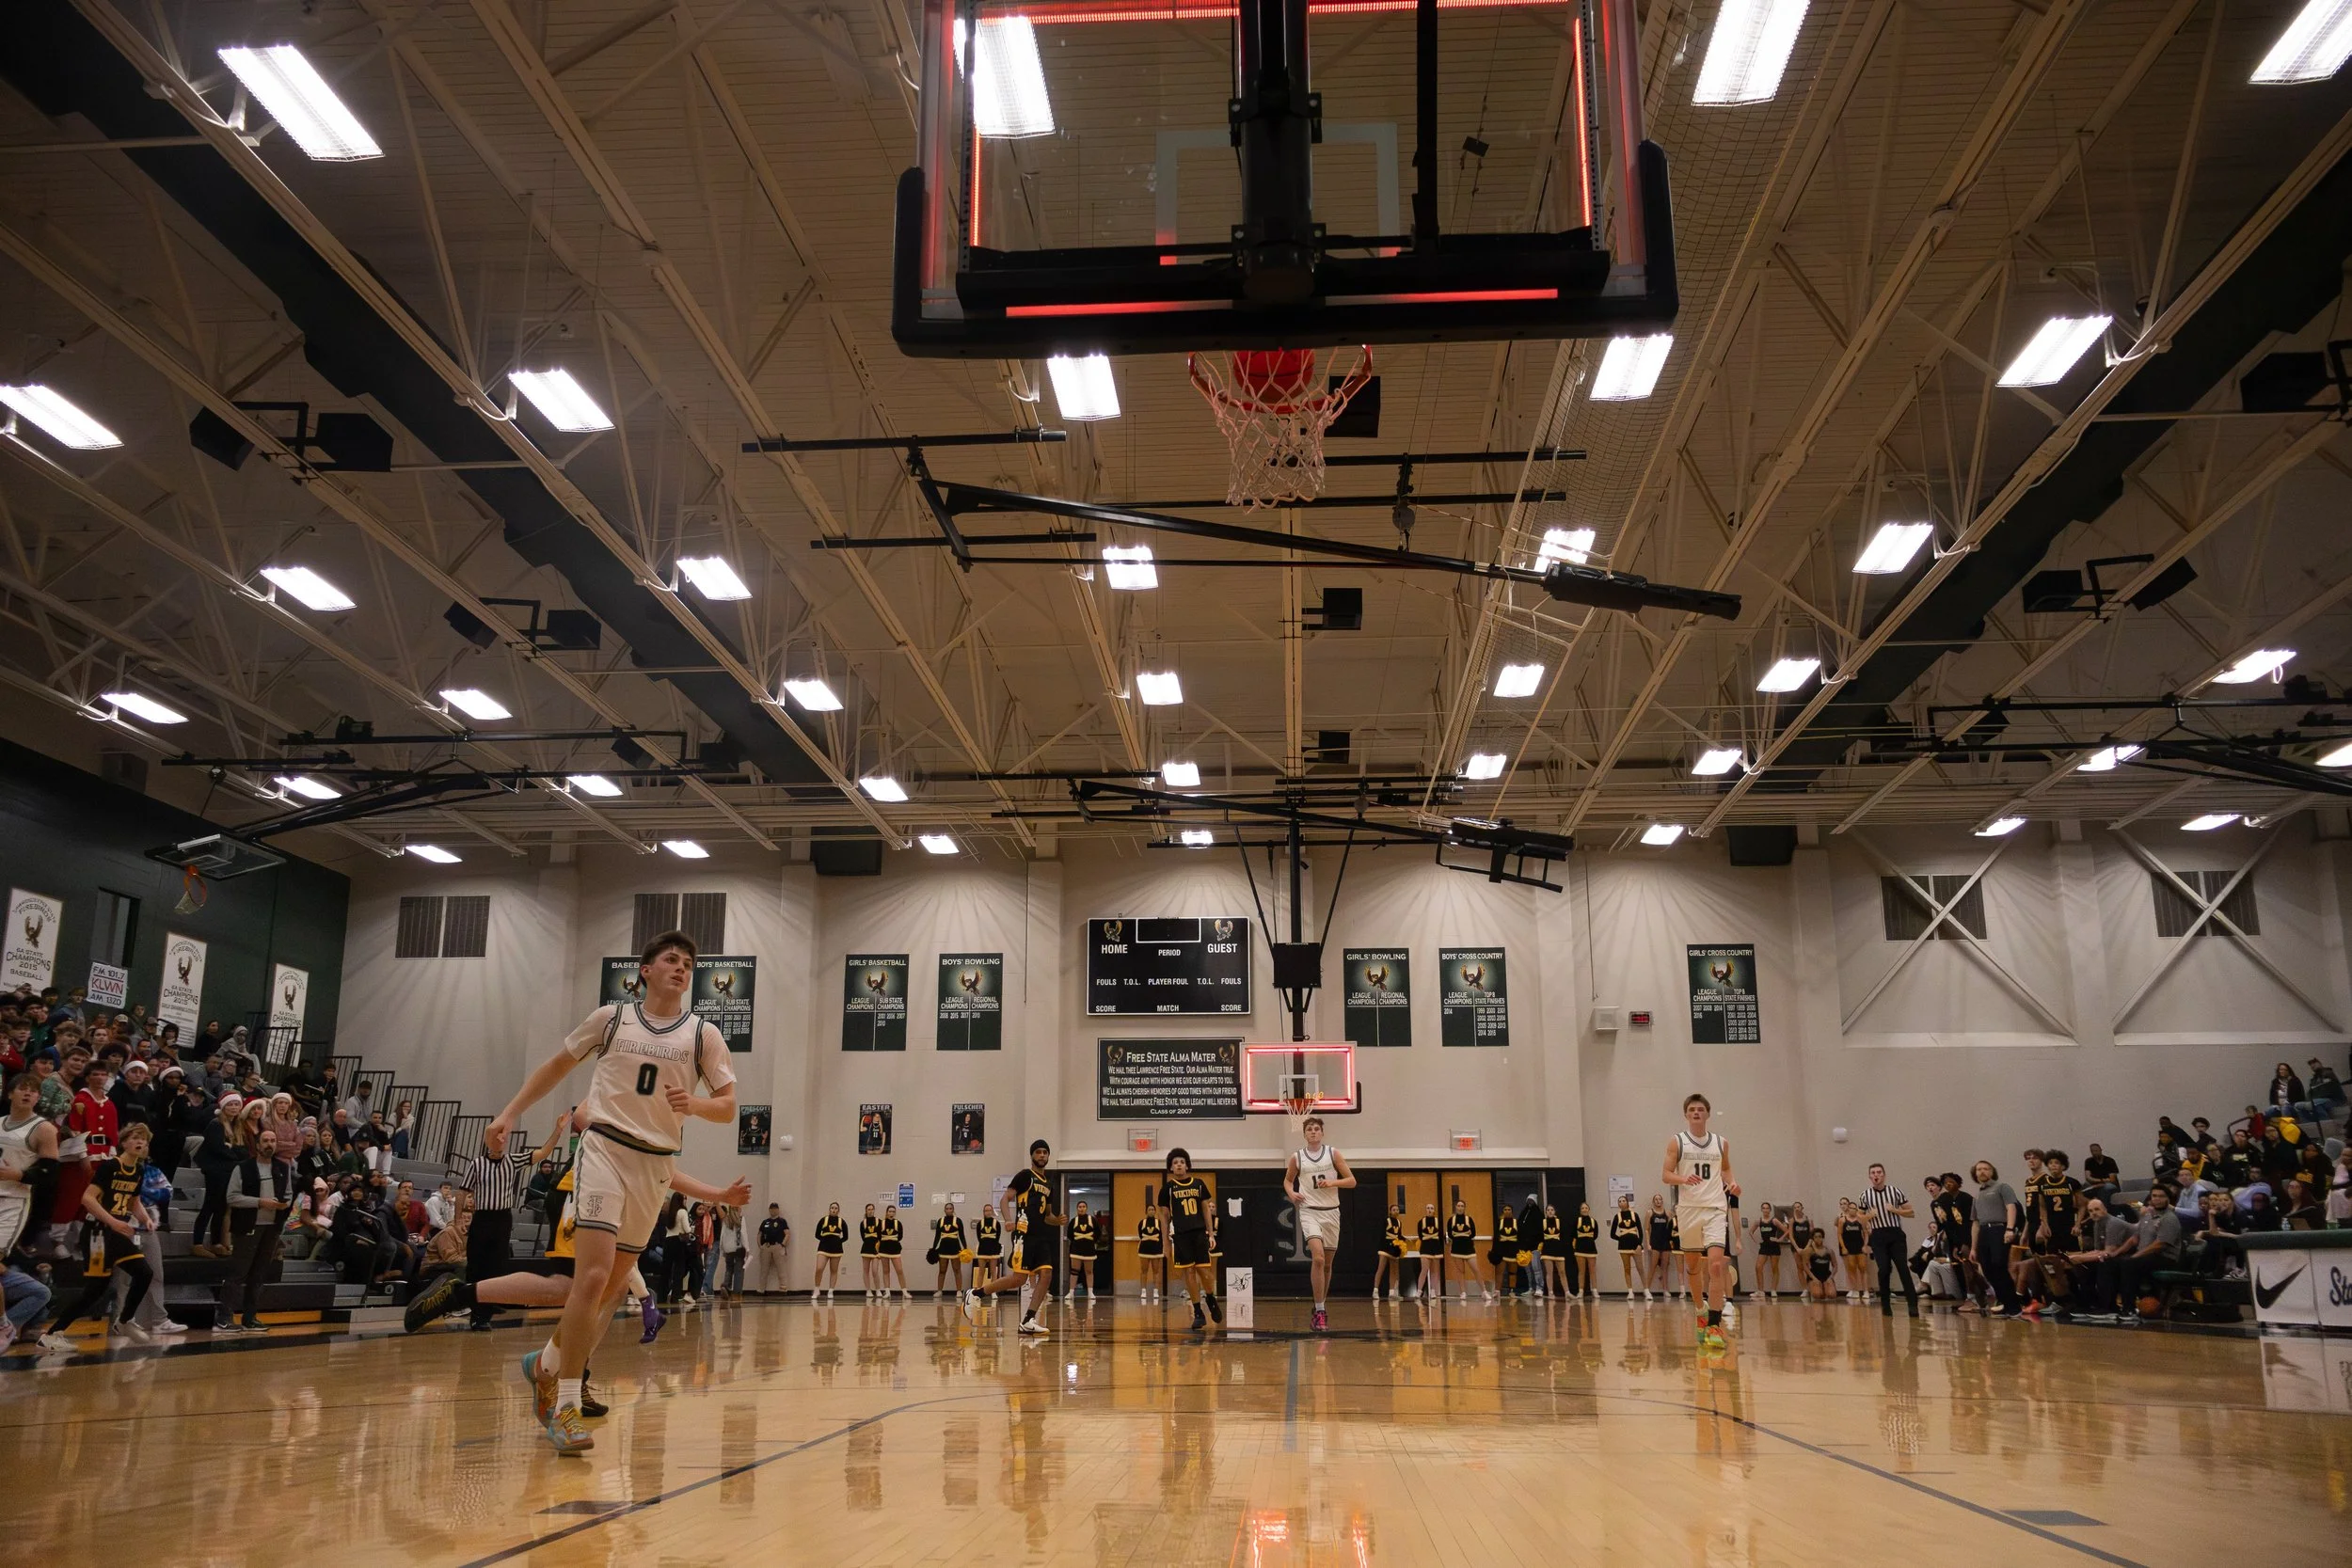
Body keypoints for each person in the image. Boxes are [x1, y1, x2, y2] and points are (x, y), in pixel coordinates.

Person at [476, 928, 738, 1455]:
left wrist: (695, 1104)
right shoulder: (611, 1019)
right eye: (670, 959)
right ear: (645, 970)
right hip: (603, 1150)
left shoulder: (703, 1035)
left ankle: (546, 1363)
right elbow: (556, 1067)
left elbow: (729, 1105)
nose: (681, 968)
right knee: (591, 1278)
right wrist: (509, 1113)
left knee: (612, 1287)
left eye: (688, 962)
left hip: (656, 1165)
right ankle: (565, 1406)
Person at [42, 1122, 159, 1345]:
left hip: (114, 1234)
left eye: (143, 1138)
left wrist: (145, 1218)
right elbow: (87, 1198)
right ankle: (52, 1334)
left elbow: (133, 1201)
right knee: (94, 1291)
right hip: (97, 1233)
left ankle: (124, 1320)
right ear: (123, 1142)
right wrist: (114, 1222)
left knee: (143, 1273)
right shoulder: (110, 1166)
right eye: (134, 1137)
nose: (139, 1141)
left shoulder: (139, 1170)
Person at [962, 1138, 1063, 1335]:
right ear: (1032, 1155)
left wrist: (1058, 1221)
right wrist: (1009, 1219)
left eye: (1045, 1152)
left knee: (1047, 1274)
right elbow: (1005, 1198)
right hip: (1023, 1235)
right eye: (1038, 1152)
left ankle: (1028, 1320)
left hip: (1041, 1236)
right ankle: (975, 1293)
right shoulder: (1026, 1176)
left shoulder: (1049, 1184)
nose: (1042, 1155)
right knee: (1018, 1279)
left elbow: (1047, 1215)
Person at [1664, 1092, 1738, 1349]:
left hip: (1716, 1207)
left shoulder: (1721, 1143)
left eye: (1700, 1109)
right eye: (1692, 1109)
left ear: (1707, 1113)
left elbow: (1726, 1169)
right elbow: (1665, 1174)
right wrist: (1683, 1179)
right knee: (1693, 1267)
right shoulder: (1677, 1142)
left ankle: (1715, 1326)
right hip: (1689, 1210)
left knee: (1716, 1266)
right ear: (1686, 1115)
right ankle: (1700, 1311)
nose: (1696, 1112)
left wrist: (1732, 1182)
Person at [0, 1072, 60, 1354]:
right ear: (10, 1093)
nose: (28, 1093)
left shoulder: (43, 1128)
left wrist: (20, 1173)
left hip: (13, 1201)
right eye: (22, 1088)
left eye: (33, 1090)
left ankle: (6, 1324)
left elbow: (50, 1172)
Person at [215, 1127, 294, 1335]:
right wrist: (260, 1202)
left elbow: (288, 1194)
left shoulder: (283, 1168)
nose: (270, 1144)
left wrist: (283, 1205)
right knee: (238, 1272)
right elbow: (231, 1197)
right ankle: (223, 1317)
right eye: (266, 1140)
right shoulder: (243, 1168)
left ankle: (250, 1318)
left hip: (271, 1229)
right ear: (258, 1145)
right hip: (247, 1227)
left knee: (259, 1275)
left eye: (273, 1140)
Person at [1283, 1115, 1355, 1331]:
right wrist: (1292, 1193)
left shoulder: (1333, 1153)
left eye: (1316, 1129)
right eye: (1309, 1129)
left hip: (1332, 1212)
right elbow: (1287, 1180)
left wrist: (1332, 1182)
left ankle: (1319, 1305)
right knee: (1318, 1258)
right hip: (1309, 1211)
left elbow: (1352, 1181)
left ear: (1322, 1133)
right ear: (1304, 1134)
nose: (1313, 1132)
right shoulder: (1297, 1157)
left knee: (1328, 1264)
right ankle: (1321, 1311)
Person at [1157, 1147, 1219, 1330]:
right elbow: (1164, 1218)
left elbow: (1206, 1210)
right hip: (1181, 1236)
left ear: (1187, 1166)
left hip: (1199, 1234)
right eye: (1175, 1163)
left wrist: (1211, 1233)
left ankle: (1210, 1297)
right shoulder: (1167, 1189)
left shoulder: (1198, 1184)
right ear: (1171, 1167)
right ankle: (1198, 1312)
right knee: (1189, 1273)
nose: (1179, 1165)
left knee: (1205, 1273)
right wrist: (1165, 1243)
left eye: (1182, 1162)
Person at [1859, 1164, 1918, 1317]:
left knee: (1903, 1269)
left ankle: (1912, 1305)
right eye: (1873, 1173)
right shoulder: (1865, 1195)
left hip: (1895, 1234)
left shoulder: (1895, 1191)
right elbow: (1859, 1219)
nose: (1876, 1175)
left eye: (1879, 1172)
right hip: (1878, 1236)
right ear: (1870, 1177)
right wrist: (1869, 1216)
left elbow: (1911, 1213)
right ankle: (1885, 1305)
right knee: (1884, 1269)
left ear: (1884, 1175)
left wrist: (1895, 1210)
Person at [1966, 1161, 2023, 1316]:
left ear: (1992, 1171)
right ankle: (2004, 1302)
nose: (1982, 1171)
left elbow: (2011, 1207)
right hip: (1984, 1231)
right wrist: (1973, 1247)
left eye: (1986, 1168)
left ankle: (2014, 1306)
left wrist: (2010, 1229)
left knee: (1999, 1265)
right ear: (1975, 1173)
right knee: (1988, 1269)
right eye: (1979, 1169)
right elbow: (1975, 1222)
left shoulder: (2002, 1187)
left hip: (1999, 1229)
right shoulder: (1977, 1195)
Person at [1445, 1196, 1487, 1302]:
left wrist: (1462, 1233)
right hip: (1456, 1249)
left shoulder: (1469, 1219)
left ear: (1464, 1208)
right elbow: (1450, 1234)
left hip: (1468, 1248)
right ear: (1455, 1207)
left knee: (1476, 1270)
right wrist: (1462, 1233)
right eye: (1458, 1206)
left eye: (1462, 1206)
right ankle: (1463, 1292)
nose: (1460, 1208)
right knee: (1460, 1271)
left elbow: (1473, 1233)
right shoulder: (1451, 1220)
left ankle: (1484, 1291)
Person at [812, 1202, 848, 1299]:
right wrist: (825, 1240)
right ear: (829, 1209)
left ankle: (831, 1291)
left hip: (836, 1249)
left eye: (836, 1208)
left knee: (834, 1270)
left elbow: (846, 1237)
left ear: (838, 1210)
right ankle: (817, 1289)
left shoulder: (841, 1221)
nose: (834, 1210)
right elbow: (817, 1234)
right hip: (823, 1248)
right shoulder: (823, 1220)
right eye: (832, 1208)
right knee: (819, 1268)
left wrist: (838, 1242)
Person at [1064, 1199, 1098, 1301]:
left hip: (1089, 1250)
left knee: (1089, 1271)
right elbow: (1070, 1234)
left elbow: (1098, 1233)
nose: (1081, 1208)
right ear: (1077, 1209)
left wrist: (1090, 1241)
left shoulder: (1092, 1220)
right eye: (1080, 1207)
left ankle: (1090, 1292)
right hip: (1076, 1250)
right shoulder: (1073, 1221)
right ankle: (1071, 1293)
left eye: (1083, 1206)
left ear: (1086, 1208)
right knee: (1074, 1271)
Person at [1135, 1194, 1166, 1304]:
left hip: (1156, 1250)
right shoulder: (1141, 1223)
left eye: (1153, 1209)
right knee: (1144, 1270)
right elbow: (1140, 1235)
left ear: (1155, 1211)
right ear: (1146, 1211)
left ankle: (1156, 1291)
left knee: (1156, 1271)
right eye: (1149, 1209)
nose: (1151, 1211)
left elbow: (1162, 1236)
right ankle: (1143, 1291)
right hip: (1144, 1250)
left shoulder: (1159, 1223)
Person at [931, 1202, 966, 1297]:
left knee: (957, 1270)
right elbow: (937, 1236)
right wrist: (934, 1249)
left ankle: (959, 1291)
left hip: (955, 1248)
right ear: (944, 1210)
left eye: (950, 1208)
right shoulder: (940, 1221)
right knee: (942, 1271)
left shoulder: (958, 1220)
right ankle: (939, 1290)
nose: (949, 1210)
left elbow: (962, 1236)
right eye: (947, 1208)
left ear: (953, 1210)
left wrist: (965, 1248)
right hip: (943, 1249)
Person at [1375, 1202, 1409, 1301]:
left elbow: (1399, 1235)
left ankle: (1392, 1292)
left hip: (1395, 1248)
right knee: (1380, 1269)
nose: (1396, 1211)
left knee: (1394, 1270)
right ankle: (1375, 1290)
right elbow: (1382, 1234)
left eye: (1397, 1210)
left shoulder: (1399, 1223)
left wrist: (1405, 1239)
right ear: (1390, 1212)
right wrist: (1381, 1248)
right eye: (1394, 1210)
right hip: (1385, 1247)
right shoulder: (1386, 1221)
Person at [1645, 1195, 1675, 1299]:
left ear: (1662, 1201)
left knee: (1665, 1267)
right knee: (1652, 1266)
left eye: (1660, 1199)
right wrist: (1648, 1244)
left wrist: (1671, 1242)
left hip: (1665, 1242)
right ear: (1653, 1201)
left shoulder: (1668, 1213)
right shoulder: (1650, 1213)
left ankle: (1665, 1289)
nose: (1658, 1201)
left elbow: (1671, 1228)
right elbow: (1647, 1229)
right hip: (1655, 1242)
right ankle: (1647, 1289)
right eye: (1656, 1199)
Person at [757, 1203, 791, 1294]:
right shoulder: (765, 1222)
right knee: (764, 1270)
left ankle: (783, 1288)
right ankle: (761, 1289)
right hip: (766, 1247)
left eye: (775, 1208)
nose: (773, 1210)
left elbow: (787, 1233)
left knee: (781, 1268)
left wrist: (782, 1245)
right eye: (771, 1209)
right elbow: (759, 1234)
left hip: (777, 1246)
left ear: (778, 1210)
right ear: (769, 1210)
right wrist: (760, 1246)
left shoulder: (782, 1221)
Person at [1413, 1201, 1443, 1301]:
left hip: (1436, 1248)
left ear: (1434, 1211)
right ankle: (1419, 1291)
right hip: (1425, 1247)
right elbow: (1420, 1236)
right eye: (1428, 1208)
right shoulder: (1420, 1222)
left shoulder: (1438, 1221)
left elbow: (1441, 1234)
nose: (1429, 1210)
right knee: (1424, 1270)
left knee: (1435, 1271)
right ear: (1425, 1210)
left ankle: (1433, 1290)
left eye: (1431, 1208)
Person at [875, 1203, 905, 1301]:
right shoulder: (882, 1223)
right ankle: (887, 1291)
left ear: (895, 1213)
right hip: (884, 1249)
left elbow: (900, 1236)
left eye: (893, 1211)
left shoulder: (898, 1223)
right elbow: (878, 1236)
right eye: (890, 1211)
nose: (891, 1213)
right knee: (886, 1270)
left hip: (895, 1249)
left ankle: (904, 1291)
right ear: (887, 1212)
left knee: (899, 1270)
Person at [971, 1201, 1003, 1291]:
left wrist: (994, 1247)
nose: (988, 1212)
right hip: (982, 1249)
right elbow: (979, 1237)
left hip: (993, 1249)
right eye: (986, 1210)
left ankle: (993, 1291)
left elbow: (998, 1237)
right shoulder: (980, 1223)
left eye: (989, 1210)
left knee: (993, 1271)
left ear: (992, 1211)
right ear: (983, 1212)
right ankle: (978, 1290)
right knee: (981, 1271)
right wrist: (984, 1244)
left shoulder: (997, 1223)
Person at [857, 1202, 881, 1299]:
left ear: (874, 1210)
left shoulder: (879, 1221)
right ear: (866, 1211)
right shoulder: (863, 1223)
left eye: (872, 1209)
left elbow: (881, 1235)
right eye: (868, 1209)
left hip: (876, 1248)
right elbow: (863, 1237)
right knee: (866, 1270)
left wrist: (879, 1247)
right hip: (866, 1247)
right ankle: (868, 1290)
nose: (870, 1211)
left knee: (875, 1271)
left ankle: (878, 1290)